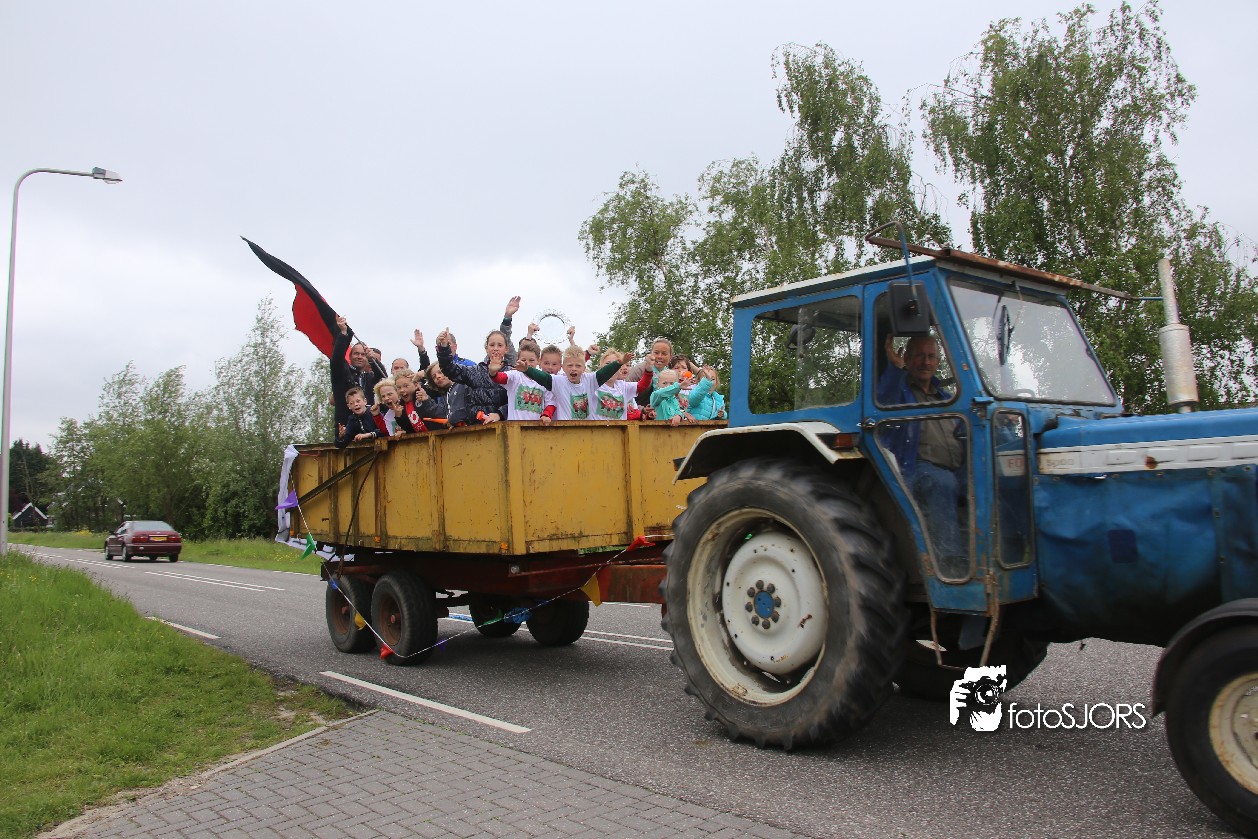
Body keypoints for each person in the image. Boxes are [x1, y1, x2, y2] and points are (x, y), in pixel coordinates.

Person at [877, 334, 966, 562]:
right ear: (907, 358)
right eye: (919, 356)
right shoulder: (901, 393)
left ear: (938, 361)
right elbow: (883, 399)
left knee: (994, 476)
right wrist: (896, 368)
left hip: (957, 467)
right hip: (916, 467)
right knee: (942, 482)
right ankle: (950, 561)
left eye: (931, 357)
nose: (926, 362)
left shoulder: (946, 397)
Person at [518, 345, 630, 420]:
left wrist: (618, 363)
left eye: (578, 366)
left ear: (584, 368)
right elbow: (543, 378)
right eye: (570, 365)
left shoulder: (590, 380)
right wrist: (527, 370)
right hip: (566, 431)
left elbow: (603, 373)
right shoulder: (558, 381)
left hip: (586, 431)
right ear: (563, 367)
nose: (574, 369)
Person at [435, 326, 510, 424]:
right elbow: (450, 369)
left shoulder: (512, 373)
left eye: (500, 345)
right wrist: (444, 348)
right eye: (492, 345)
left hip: (506, 426)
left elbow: (517, 402)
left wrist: (500, 414)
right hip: (478, 426)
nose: (495, 348)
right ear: (486, 348)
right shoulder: (475, 371)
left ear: (506, 349)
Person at [331, 316, 388, 430]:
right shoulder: (343, 373)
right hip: (346, 427)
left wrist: (373, 360)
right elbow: (336, 360)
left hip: (370, 427)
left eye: (363, 354)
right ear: (350, 356)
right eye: (356, 354)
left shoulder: (370, 377)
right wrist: (344, 333)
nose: (359, 357)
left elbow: (383, 377)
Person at [492, 344, 555, 423]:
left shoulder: (542, 380)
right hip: (515, 427)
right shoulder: (514, 375)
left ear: (538, 361)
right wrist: (493, 372)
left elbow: (550, 403)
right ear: (517, 360)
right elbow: (499, 378)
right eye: (523, 360)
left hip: (536, 428)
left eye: (531, 360)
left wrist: (546, 415)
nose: (527, 363)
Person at [593, 348, 653, 420]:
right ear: (600, 367)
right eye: (608, 364)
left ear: (619, 370)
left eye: (615, 364)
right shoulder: (593, 384)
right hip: (597, 427)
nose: (611, 368)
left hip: (619, 427)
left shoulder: (622, 386)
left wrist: (648, 369)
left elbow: (642, 385)